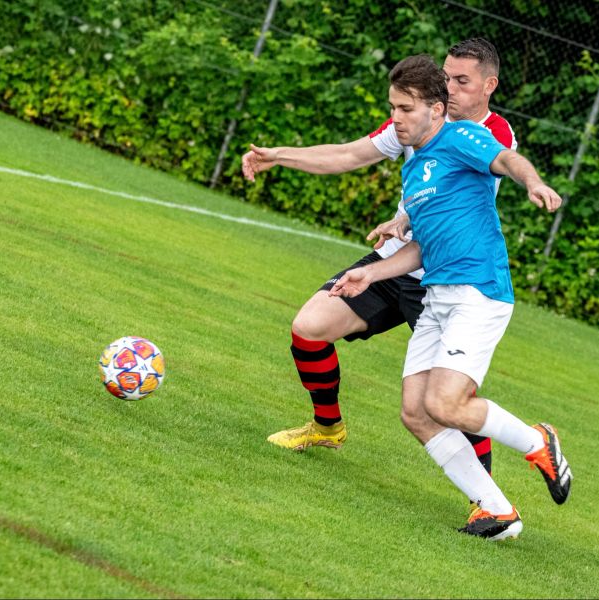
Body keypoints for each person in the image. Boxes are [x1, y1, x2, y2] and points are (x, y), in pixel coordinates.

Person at [241, 39, 518, 477]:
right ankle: (326, 427)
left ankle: (486, 499)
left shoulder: (493, 134)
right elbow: (350, 153)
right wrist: (278, 156)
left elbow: (457, 188)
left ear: (489, 86)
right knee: (309, 328)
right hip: (392, 265)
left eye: (462, 82)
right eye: (446, 78)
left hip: (446, 277)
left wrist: (406, 216)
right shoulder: (416, 118)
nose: (450, 88)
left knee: (447, 401)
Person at [330, 54, 572, 540]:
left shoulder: (461, 137)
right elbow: (423, 245)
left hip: (477, 293)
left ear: (436, 109)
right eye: (393, 107)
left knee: (446, 402)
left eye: (405, 108)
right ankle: (497, 510)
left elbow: (506, 159)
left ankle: (537, 441)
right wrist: (371, 275)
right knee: (415, 413)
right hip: (438, 293)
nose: (395, 118)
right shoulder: (415, 164)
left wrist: (534, 181)